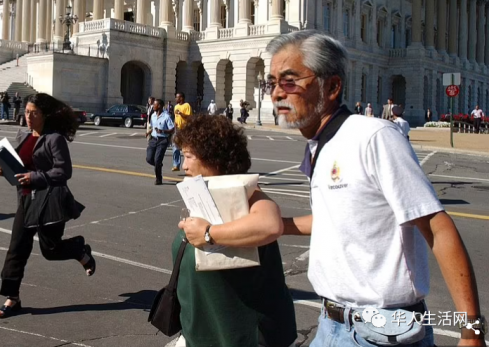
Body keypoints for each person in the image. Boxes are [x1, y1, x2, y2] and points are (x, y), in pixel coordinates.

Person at [267, 30, 484, 347]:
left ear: (332, 86)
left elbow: (437, 226)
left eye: (288, 81)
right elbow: (342, 218)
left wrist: (472, 333)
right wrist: (277, 227)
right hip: (331, 325)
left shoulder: (373, 136)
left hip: (381, 333)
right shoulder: (319, 146)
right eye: (270, 83)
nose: (276, 94)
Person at [170, 115, 297, 347]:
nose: (183, 165)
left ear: (214, 158)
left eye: (189, 156)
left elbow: (270, 224)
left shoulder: (247, 196)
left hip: (243, 338)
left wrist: (208, 233)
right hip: (198, 335)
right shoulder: (200, 196)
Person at [0, 93, 95, 319]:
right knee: (16, 250)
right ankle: (12, 298)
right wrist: (4, 171)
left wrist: (34, 177)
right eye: (26, 112)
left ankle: (78, 249)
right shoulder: (23, 136)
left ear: (44, 115)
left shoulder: (54, 139)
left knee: (51, 250)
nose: (28, 117)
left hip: (49, 202)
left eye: (34, 113)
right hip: (26, 201)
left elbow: (63, 172)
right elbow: (20, 168)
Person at [145, 98, 174, 185]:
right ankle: (158, 165)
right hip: (153, 139)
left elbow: (172, 129)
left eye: (155, 104)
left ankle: (158, 178)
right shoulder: (153, 116)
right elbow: (154, 127)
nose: (153, 106)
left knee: (157, 160)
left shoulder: (166, 116)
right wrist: (149, 132)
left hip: (162, 140)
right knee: (149, 159)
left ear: (160, 106)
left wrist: (163, 131)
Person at [172, 92, 192, 171]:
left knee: (186, 148)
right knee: (175, 147)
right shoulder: (176, 106)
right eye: (176, 97)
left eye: (177, 97)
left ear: (182, 98)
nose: (176, 99)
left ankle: (188, 165)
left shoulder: (187, 105)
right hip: (177, 130)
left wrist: (181, 114)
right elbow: (175, 118)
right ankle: (176, 165)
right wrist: (174, 127)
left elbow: (189, 117)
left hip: (185, 130)